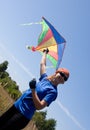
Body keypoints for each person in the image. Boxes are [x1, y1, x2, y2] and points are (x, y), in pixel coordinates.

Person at [0, 48, 70, 130]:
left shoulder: (53, 92)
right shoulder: (45, 78)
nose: (62, 77)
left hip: (23, 115)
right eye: (62, 74)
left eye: (65, 78)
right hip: (16, 106)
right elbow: (42, 64)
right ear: (57, 72)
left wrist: (33, 90)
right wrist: (45, 53)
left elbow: (39, 106)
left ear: (63, 82)